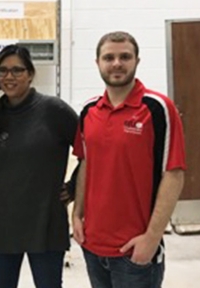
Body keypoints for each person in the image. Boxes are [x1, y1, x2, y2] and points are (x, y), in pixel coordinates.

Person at [72, 31, 186, 288]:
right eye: (108, 57)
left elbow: (174, 173)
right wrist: (77, 215)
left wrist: (152, 238)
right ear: (97, 62)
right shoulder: (89, 110)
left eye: (125, 56)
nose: (116, 63)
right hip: (93, 245)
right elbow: (86, 164)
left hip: (135, 251)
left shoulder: (158, 107)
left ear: (137, 60)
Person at [0, 44, 78, 288]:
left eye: (17, 70)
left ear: (30, 74)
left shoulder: (55, 111)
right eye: (2, 71)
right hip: (2, 225)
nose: (9, 77)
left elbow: (92, 150)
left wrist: (74, 186)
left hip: (45, 222)